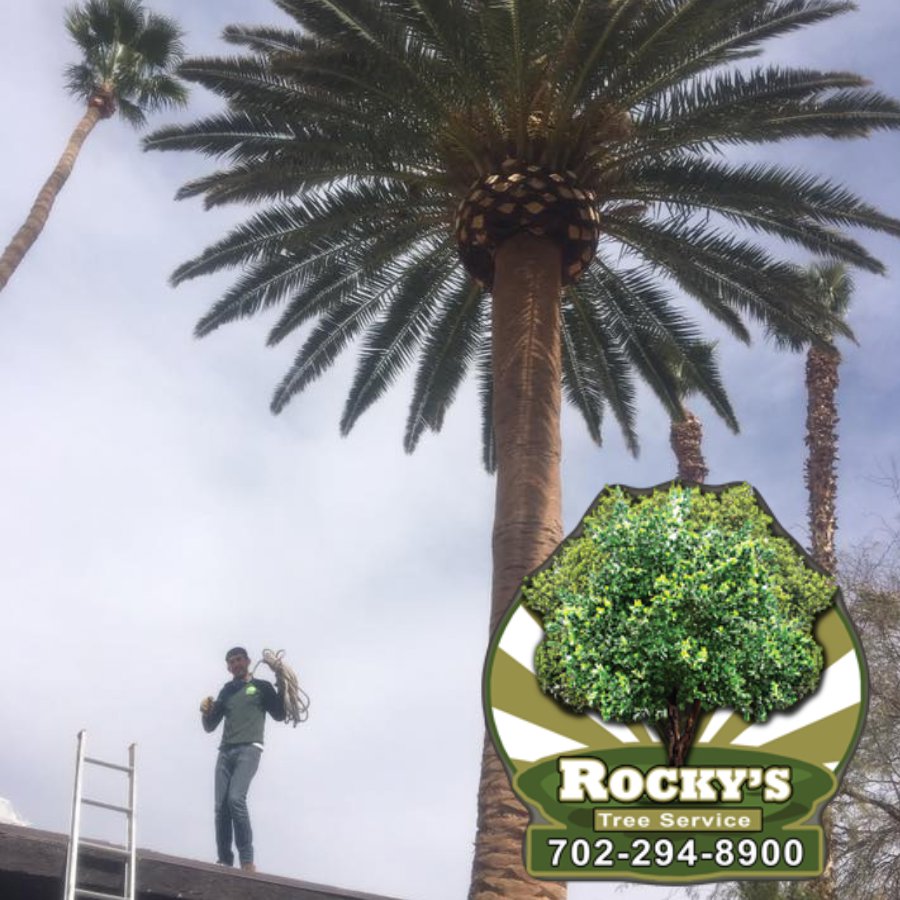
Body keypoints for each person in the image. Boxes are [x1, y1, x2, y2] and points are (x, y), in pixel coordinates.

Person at [200, 646, 285, 872]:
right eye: (231, 662)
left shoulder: (262, 687)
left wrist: (282, 682)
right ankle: (225, 860)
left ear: (247, 661)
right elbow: (210, 726)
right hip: (225, 752)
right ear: (228, 667)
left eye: (239, 659)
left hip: (249, 749)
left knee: (236, 799)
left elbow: (280, 714)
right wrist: (205, 712)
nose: (236, 664)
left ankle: (247, 861)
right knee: (221, 807)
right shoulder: (227, 691)